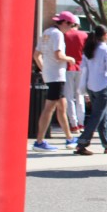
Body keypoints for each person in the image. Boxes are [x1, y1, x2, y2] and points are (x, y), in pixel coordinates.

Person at [73, 25, 107, 155]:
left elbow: (83, 67)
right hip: (103, 86)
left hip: (91, 86)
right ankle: (82, 143)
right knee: (97, 116)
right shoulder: (106, 50)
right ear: (105, 35)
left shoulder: (90, 48)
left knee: (103, 117)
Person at [32, 11, 79, 151]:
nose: (71, 28)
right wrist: (70, 59)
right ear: (64, 22)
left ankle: (69, 138)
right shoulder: (58, 34)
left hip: (51, 75)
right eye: (71, 25)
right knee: (50, 108)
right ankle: (39, 141)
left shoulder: (47, 32)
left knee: (62, 107)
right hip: (57, 76)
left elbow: (36, 55)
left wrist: (45, 69)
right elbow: (58, 55)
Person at [63, 23, 88, 134]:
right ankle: (81, 123)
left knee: (69, 97)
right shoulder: (84, 35)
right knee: (80, 96)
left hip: (67, 67)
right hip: (80, 67)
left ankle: (74, 124)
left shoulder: (64, 34)